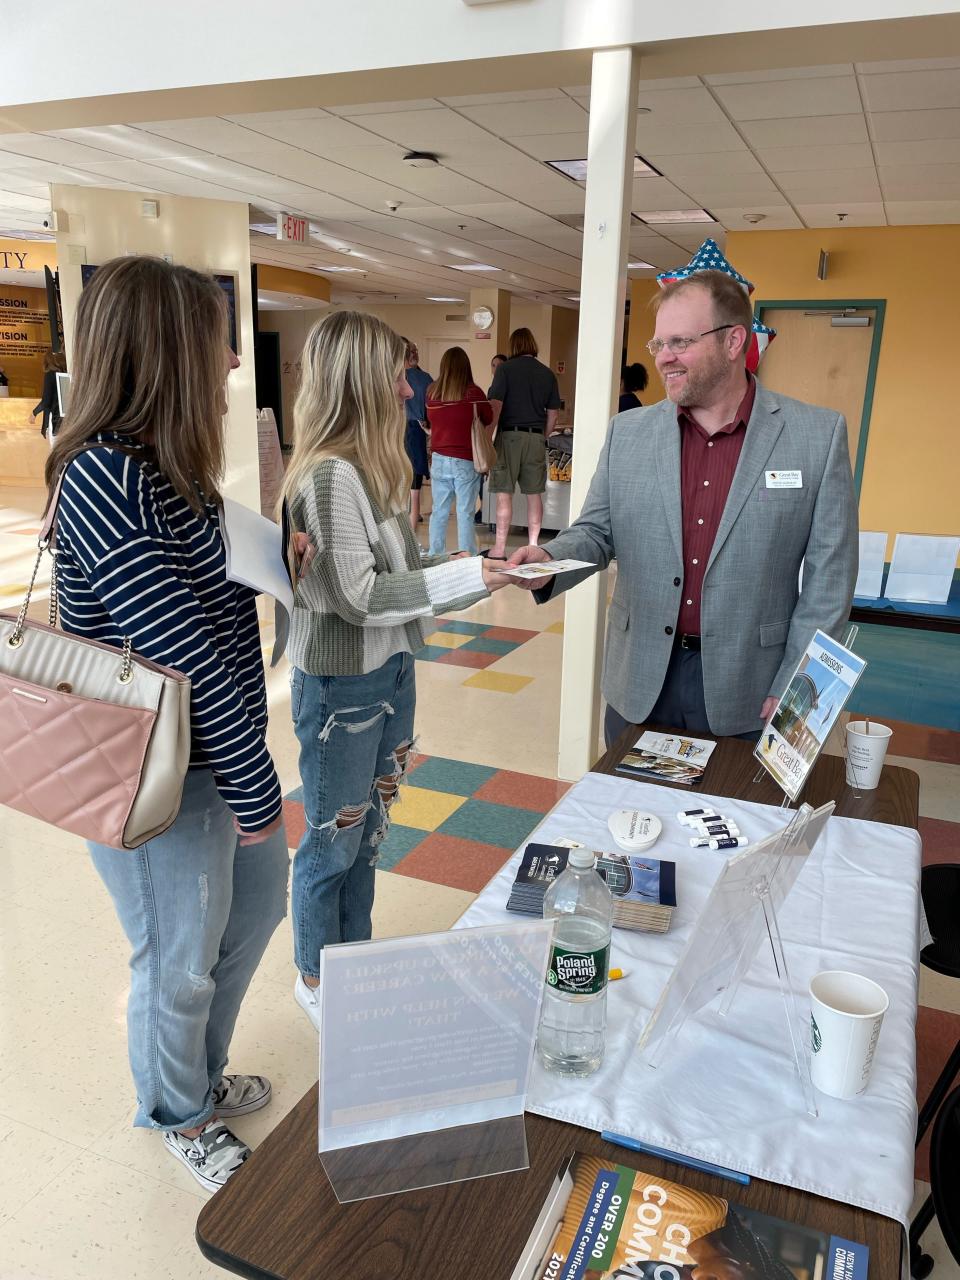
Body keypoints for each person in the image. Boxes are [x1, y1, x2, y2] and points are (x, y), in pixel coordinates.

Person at [46, 256, 289, 1192]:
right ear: (163, 352)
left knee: (252, 914)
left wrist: (280, 554)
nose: (231, 356)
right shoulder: (105, 479)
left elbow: (217, 592)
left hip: (212, 762)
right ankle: (175, 1109)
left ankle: (196, 1074)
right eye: (214, 337)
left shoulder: (164, 467)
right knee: (179, 957)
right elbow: (179, 655)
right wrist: (259, 791)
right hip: (153, 782)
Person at [506, 268, 858, 744]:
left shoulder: (816, 437)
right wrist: (550, 560)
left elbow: (829, 580)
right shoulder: (628, 433)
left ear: (733, 341)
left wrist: (798, 683)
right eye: (658, 345)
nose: (664, 359)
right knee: (629, 816)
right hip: (641, 680)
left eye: (679, 342)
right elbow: (596, 531)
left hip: (751, 688)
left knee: (737, 819)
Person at [281, 311, 510, 1031]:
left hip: (389, 676)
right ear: (358, 382)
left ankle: (352, 963)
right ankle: (318, 978)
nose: (408, 391)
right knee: (330, 840)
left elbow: (405, 572)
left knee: (367, 833)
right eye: (395, 375)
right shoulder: (326, 479)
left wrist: (486, 569)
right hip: (341, 688)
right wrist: (471, 573)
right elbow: (360, 596)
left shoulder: (371, 474)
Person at [487, 327, 561, 557]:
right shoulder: (547, 374)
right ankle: (533, 544)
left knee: (504, 494)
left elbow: (496, 406)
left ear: (514, 346)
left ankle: (499, 548)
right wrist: (543, 436)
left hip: (509, 436)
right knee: (534, 494)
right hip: (536, 437)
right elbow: (553, 414)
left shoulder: (505, 369)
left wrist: (489, 436)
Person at [425, 346, 492, 556]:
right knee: (465, 512)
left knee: (439, 511)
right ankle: (467, 558)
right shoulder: (475, 393)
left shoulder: (432, 393)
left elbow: (429, 420)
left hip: (438, 459)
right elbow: (488, 418)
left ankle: (435, 555)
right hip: (465, 459)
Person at [400, 337, 433, 532]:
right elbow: (431, 408)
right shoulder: (426, 379)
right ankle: (411, 534)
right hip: (418, 431)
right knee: (415, 491)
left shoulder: (392, 377)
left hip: (397, 431)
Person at [32, 350, 67, 437]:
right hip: (68, 418)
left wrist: (34, 413)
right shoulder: (66, 373)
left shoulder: (50, 374)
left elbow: (46, 401)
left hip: (55, 418)